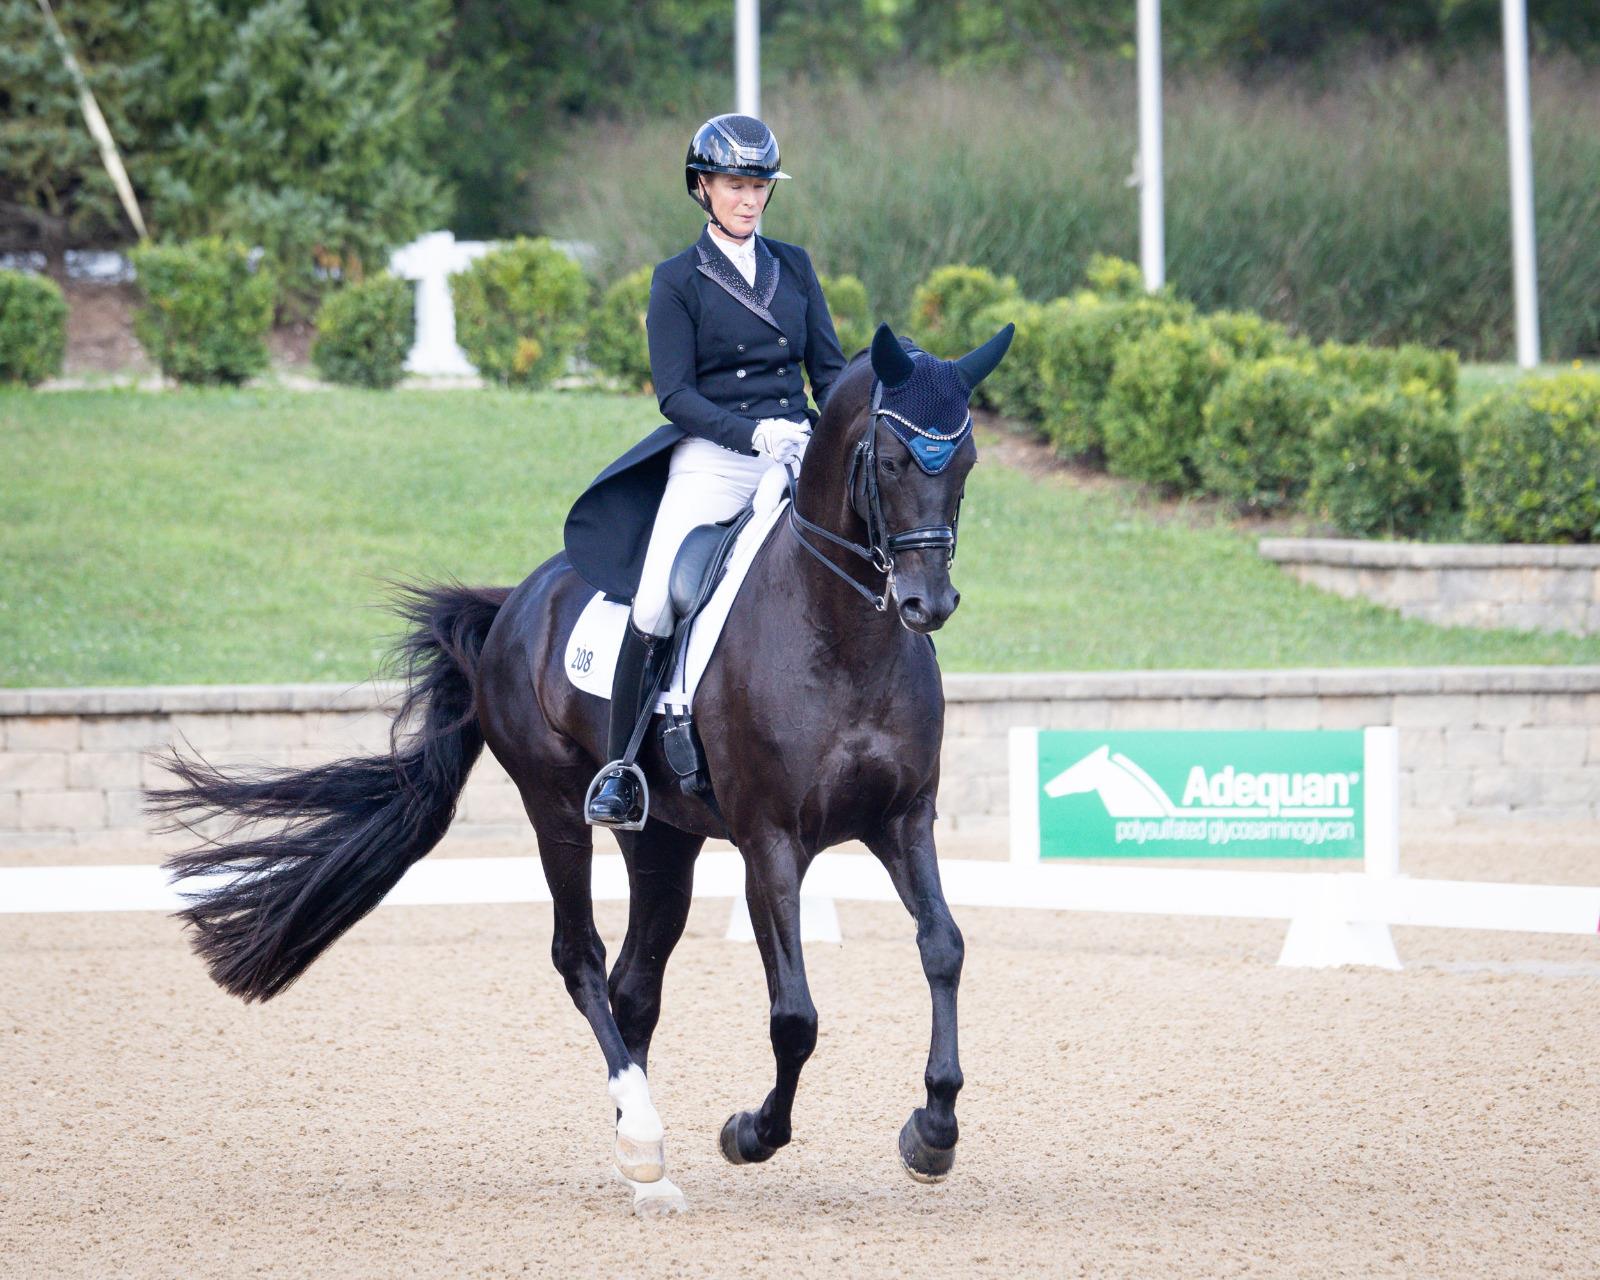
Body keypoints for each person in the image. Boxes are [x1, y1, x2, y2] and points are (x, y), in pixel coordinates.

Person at [563, 113, 849, 827]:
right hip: (716, 461)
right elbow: (675, 395)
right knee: (658, 600)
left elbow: (831, 371)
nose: (748, 199)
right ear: (703, 189)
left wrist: (831, 432)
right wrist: (754, 435)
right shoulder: (676, 281)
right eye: (733, 185)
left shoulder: (797, 268)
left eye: (758, 186)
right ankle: (623, 769)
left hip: (796, 460)